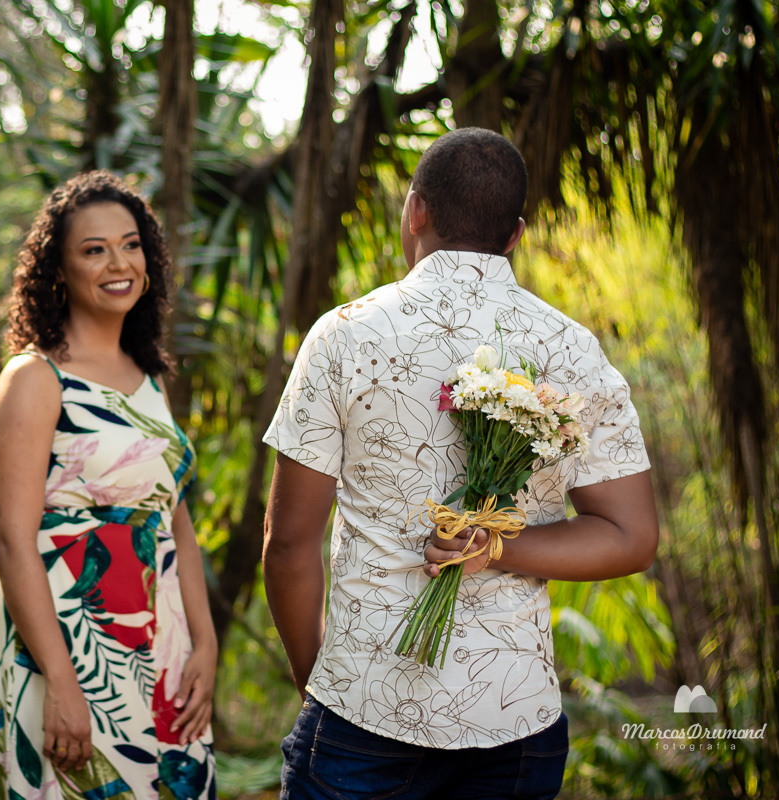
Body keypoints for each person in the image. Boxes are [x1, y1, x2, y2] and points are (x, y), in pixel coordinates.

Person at [261, 127, 659, 800]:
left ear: (415, 210)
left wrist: (316, 682)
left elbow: (288, 542)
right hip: (516, 719)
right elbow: (631, 537)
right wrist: (500, 547)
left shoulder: (345, 334)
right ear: (516, 235)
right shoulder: (572, 349)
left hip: (365, 707)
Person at [0, 171, 217, 800]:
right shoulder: (35, 378)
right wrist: (59, 676)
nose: (119, 263)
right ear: (58, 269)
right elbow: (9, 540)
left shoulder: (149, 378)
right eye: (94, 249)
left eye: (131, 244)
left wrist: (205, 643)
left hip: (160, 641)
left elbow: (176, 522)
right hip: (70, 643)